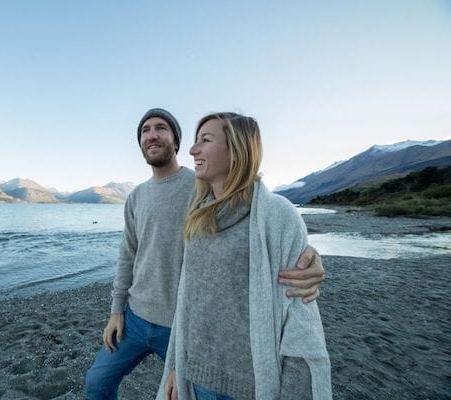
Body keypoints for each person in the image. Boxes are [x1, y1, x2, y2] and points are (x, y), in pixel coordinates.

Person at [85, 108, 326, 400]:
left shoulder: (200, 186)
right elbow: (128, 254)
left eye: (161, 128)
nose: (152, 135)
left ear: (175, 140)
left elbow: (255, 217)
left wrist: (308, 256)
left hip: (179, 324)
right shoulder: (143, 197)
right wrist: (116, 310)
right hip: (138, 317)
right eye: (145, 130)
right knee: (96, 382)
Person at [160, 112, 331, 400]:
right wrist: (178, 365)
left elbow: (299, 317)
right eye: (194, 141)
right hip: (197, 380)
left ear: (237, 150)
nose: (192, 150)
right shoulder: (199, 216)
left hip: (249, 387)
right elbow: (189, 300)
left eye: (205, 140)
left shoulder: (277, 216)